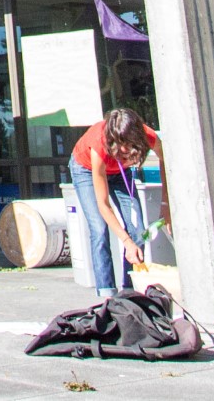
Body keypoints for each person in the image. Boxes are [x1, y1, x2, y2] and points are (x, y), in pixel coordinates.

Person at [69, 108, 169, 298]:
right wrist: (126, 241)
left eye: (129, 150)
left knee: (138, 231)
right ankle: (107, 293)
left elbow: (166, 160)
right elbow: (103, 205)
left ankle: (129, 291)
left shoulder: (147, 135)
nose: (125, 152)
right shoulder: (99, 145)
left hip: (120, 175)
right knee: (99, 228)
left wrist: (166, 206)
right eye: (122, 149)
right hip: (87, 170)